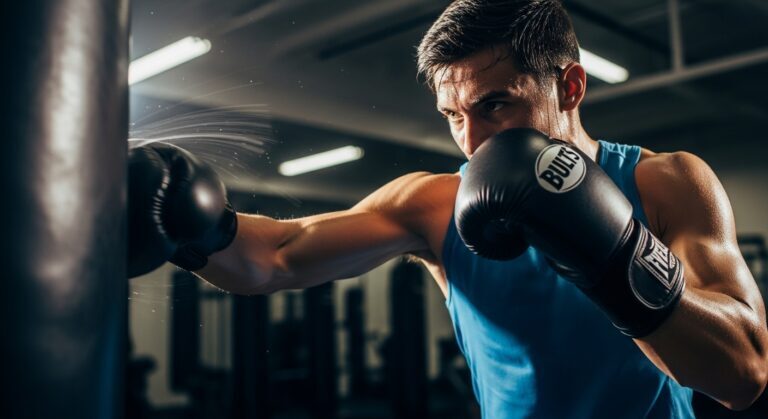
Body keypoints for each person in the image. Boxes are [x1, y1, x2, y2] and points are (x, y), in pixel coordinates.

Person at [127, 0, 768, 417]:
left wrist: (606, 246)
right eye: (453, 117)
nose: (475, 141)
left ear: (570, 86)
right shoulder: (437, 204)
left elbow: (742, 372)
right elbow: (276, 257)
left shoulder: (668, 182)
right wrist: (195, 227)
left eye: (496, 105)